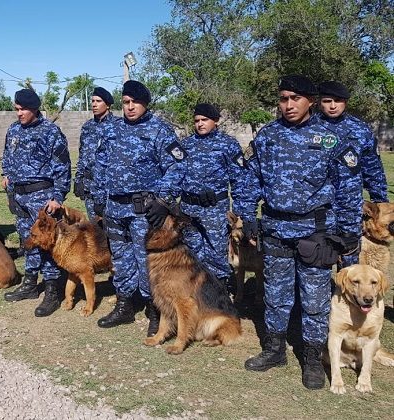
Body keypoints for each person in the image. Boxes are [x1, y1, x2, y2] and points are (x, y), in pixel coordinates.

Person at [235, 75, 361, 390]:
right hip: (276, 228)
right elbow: (249, 178)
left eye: (295, 98)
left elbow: (349, 188)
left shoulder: (331, 138)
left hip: (315, 232)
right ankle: (275, 350)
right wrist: (248, 216)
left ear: (310, 101)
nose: (289, 105)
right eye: (283, 99)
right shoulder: (267, 137)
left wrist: (347, 233)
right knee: (276, 296)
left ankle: (313, 359)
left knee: (315, 299)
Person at [93, 80, 184, 334]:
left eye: (135, 102)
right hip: (115, 208)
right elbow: (99, 165)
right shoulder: (111, 130)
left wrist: (163, 201)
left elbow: (177, 167)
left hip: (144, 209)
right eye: (126, 102)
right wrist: (99, 196)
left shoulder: (159, 130)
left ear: (145, 103)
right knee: (121, 258)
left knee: (146, 260)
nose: (130, 107)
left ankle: (155, 311)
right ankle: (124, 305)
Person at [1, 89, 71, 316]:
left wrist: (58, 197)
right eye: (17, 109)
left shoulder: (50, 132)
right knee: (27, 241)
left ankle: (52, 291)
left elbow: (63, 166)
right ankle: (30, 284)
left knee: (46, 243)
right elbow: (7, 157)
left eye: (22, 109)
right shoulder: (13, 130)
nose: (19, 113)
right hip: (19, 196)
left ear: (33, 108)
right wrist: (6, 174)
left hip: (42, 197)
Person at [314, 80, 388, 267]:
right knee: (317, 255)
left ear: (345, 102)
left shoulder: (360, 129)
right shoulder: (309, 127)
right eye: (327, 101)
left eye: (337, 101)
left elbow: (373, 168)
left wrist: (380, 200)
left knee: (350, 256)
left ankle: (348, 295)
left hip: (350, 205)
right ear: (319, 102)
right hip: (317, 206)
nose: (332, 106)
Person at [179, 103, 250, 293]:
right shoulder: (186, 145)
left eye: (205, 120)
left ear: (216, 121)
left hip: (215, 209)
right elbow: (175, 174)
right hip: (189, 208)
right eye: (197, 121)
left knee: (216, 253)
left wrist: (241, 211)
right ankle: (196, 292)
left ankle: (219, 292)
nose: (200, 124)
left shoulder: (228, 144)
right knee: (192, 252)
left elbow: (240, 180)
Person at [74, 87, 117, 219]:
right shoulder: (87, 127)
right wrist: (78, 179)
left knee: (113, 232)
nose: (94, 104)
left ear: (108, 105)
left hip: (109, 188)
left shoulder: (118, 126)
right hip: (90, 187)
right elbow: (82, 155)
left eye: (98, 101)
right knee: (95, 230)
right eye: (92, 101)